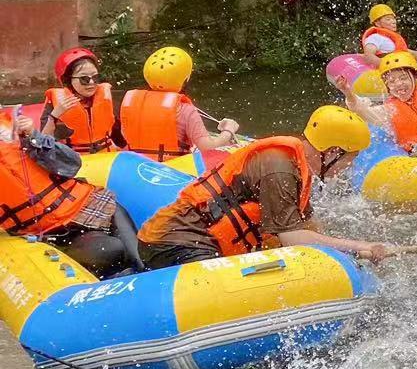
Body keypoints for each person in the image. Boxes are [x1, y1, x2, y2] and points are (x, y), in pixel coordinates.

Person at [138, 105, 393, 268]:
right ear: (332, 152)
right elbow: (293, 238)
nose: (350, 167)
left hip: (200, 241)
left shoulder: (296, 165)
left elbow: (310, 227)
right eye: (350, 159)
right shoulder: (280, 169)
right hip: (174, 242)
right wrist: (361, 245)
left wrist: (353, 255)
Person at [1, 122, 142, 275]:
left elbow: (73, 164)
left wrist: (35, 137)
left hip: (92, 204)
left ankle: (144, 270)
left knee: (138, 257)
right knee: (111, 249)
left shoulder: (18, 139)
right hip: (56, 233)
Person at [119, 47, 240, 161]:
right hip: (172, 172)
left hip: (135, 167)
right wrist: (228, 131)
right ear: (185, 79)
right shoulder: (186, 110)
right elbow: (208, 148)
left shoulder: (130, 103)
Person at [41, 47, 120, 153]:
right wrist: (53, 117)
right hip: (74, 161)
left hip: (106, 159)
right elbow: (43, 145)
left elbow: (120, 137)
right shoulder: (56, 104)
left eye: (95, 77)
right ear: (68, 80)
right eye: (84, 79)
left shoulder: (106, 98)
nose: (91, 82)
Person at [359, 3, 417, 68]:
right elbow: (368, 56)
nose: (393, 22)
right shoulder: (375, 38)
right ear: (377, 23)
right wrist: (389, 68)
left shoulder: (391, 39)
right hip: (393, 70)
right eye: (388, 19)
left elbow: (411, 53)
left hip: (404, 68)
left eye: (393, 19)